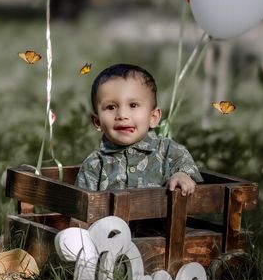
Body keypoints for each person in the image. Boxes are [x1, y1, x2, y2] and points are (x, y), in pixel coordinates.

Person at [75, 63, 203, 196]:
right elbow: (83, 209)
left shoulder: (169, 151)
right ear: (97, 122)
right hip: (111, 216)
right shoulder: (94, 164)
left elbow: (187, 170)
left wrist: (181, 175)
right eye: (111, 107)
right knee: (110, 219)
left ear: (153, 117)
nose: (122, 115)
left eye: (133, 105)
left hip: (164, 216)